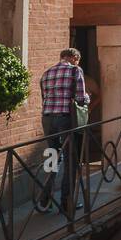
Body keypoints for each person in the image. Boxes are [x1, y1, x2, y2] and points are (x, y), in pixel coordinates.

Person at [38, 48, 90, 214]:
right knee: (70, 159)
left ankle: (45, 200)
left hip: (47, 118)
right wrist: (87, 97)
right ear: (75, 57)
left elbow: (44, 97)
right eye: (78, 60)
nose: (78, 63)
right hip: (65, 118)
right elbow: (81, 98)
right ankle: (67, 203)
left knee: (52, 156)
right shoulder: (75, 70)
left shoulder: (46, 73)